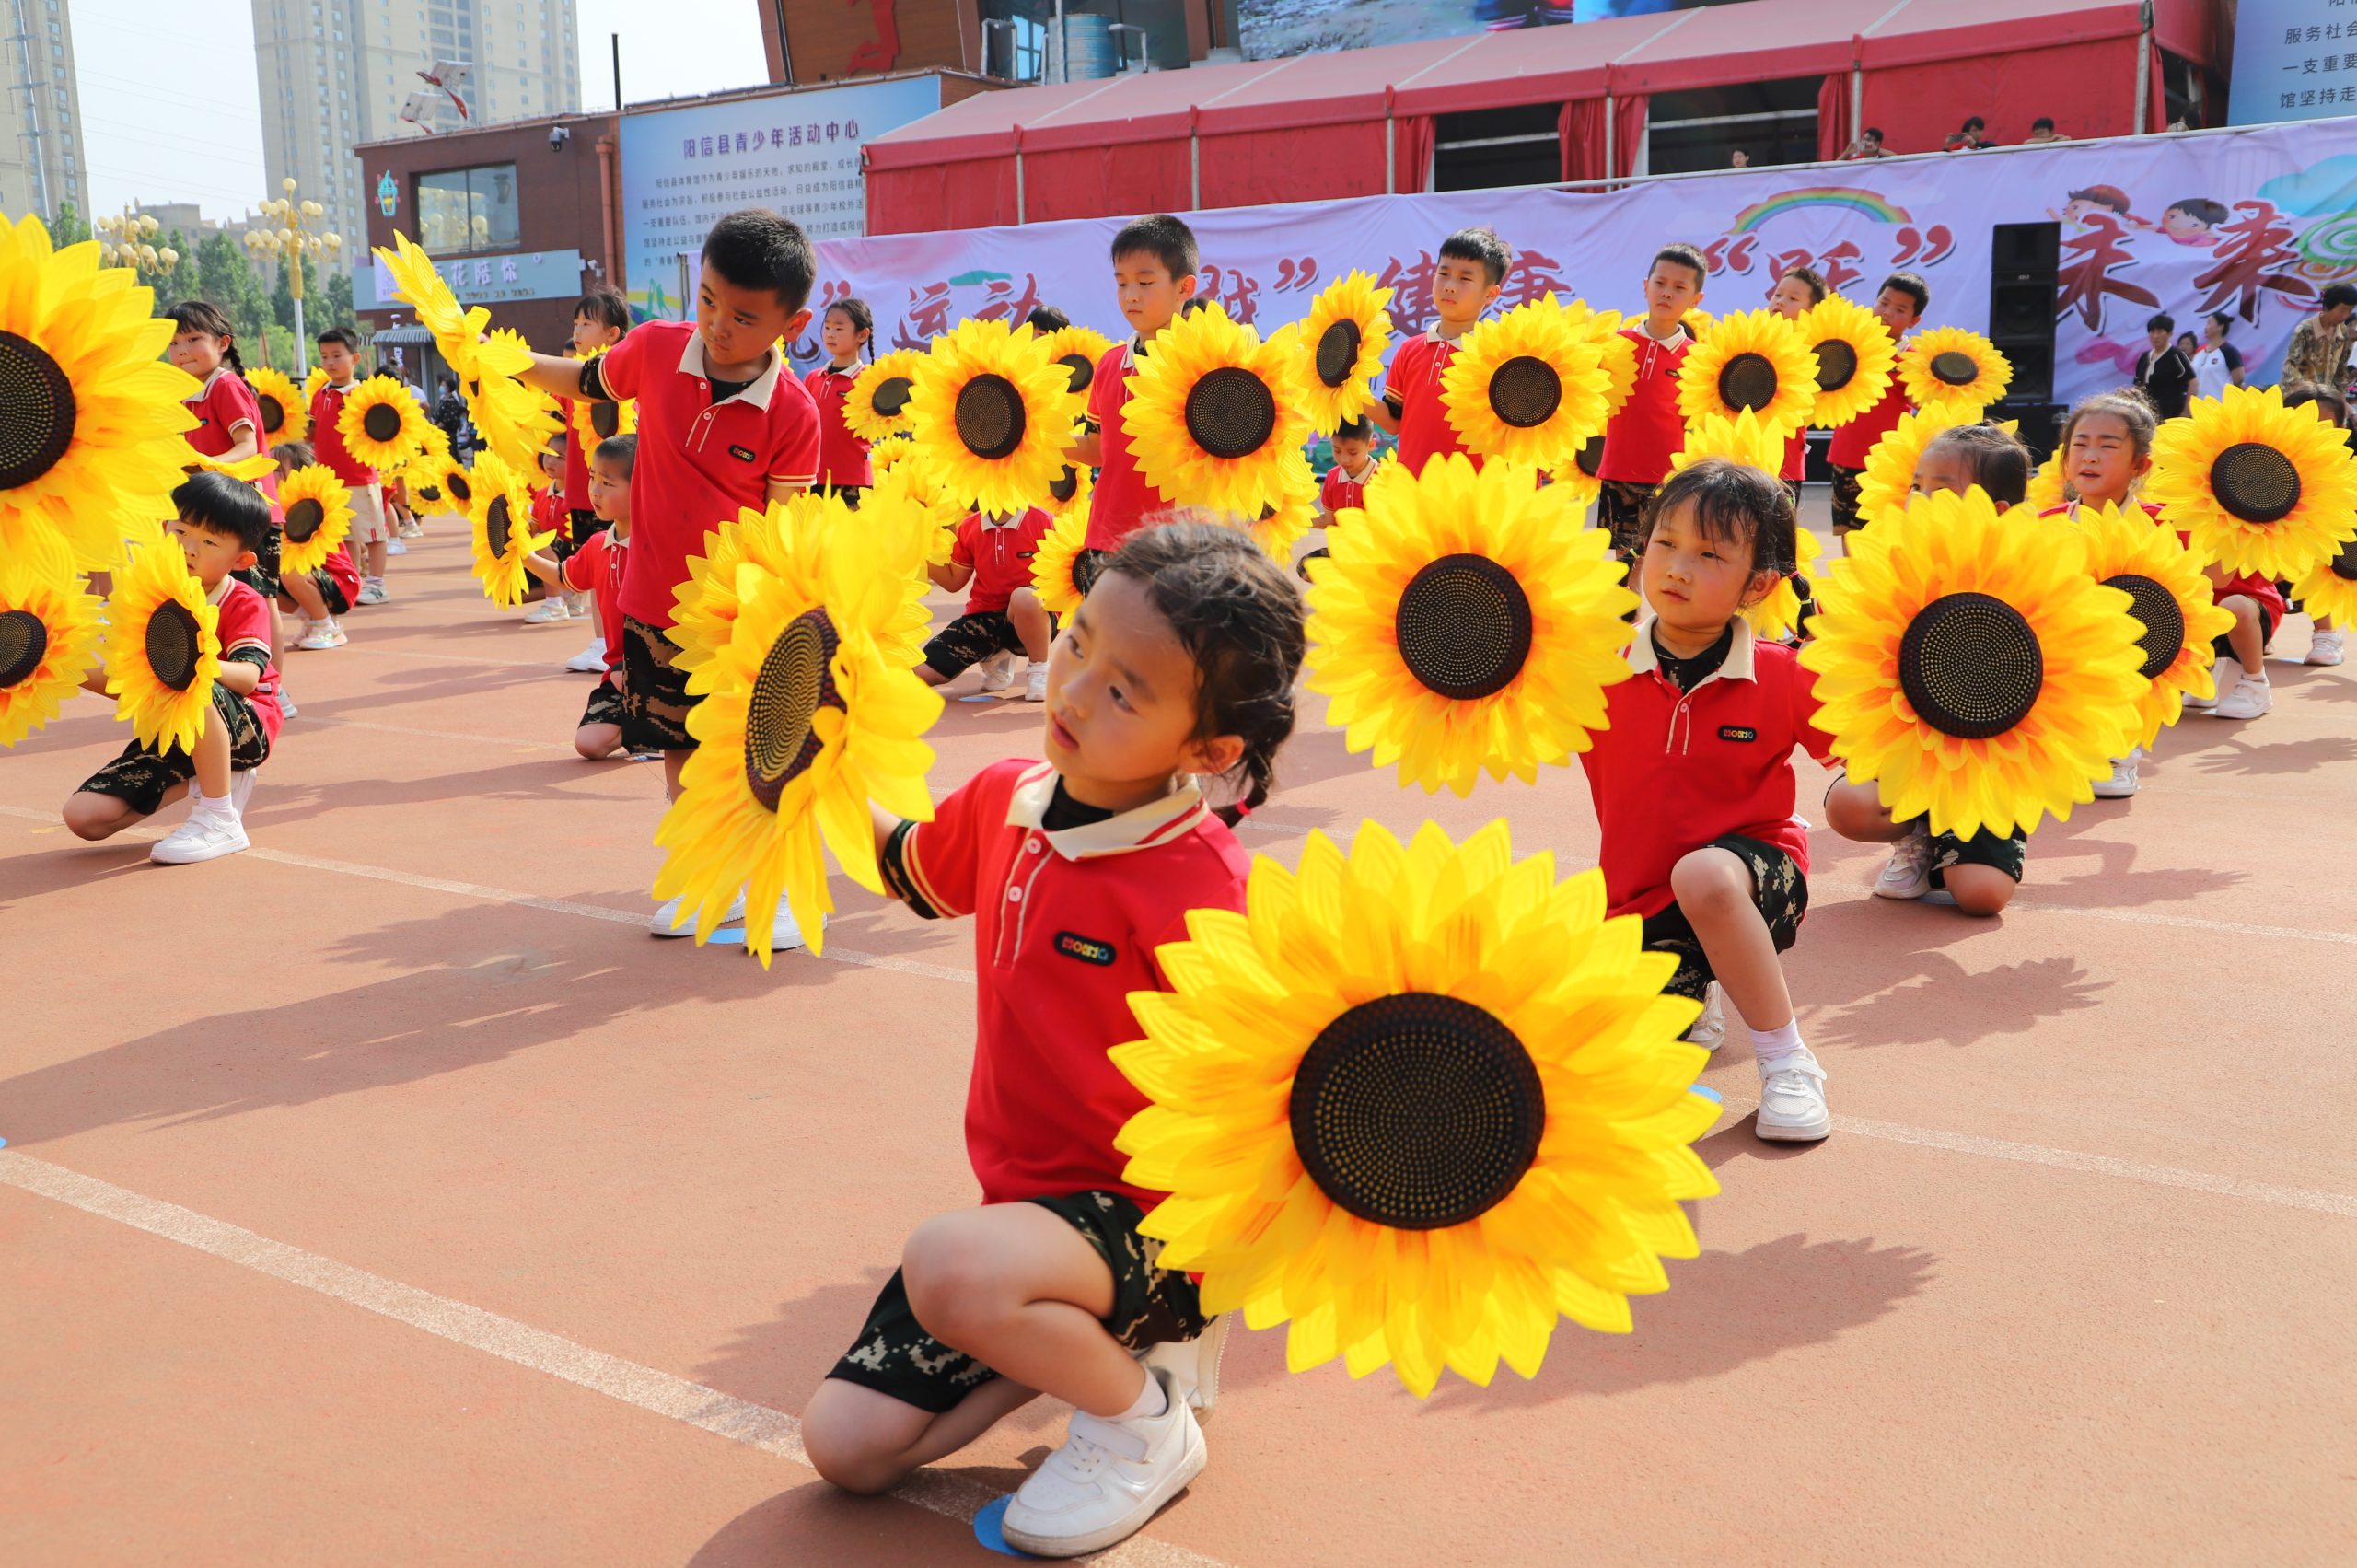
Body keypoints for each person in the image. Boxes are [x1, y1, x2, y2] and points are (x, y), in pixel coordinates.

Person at [804, 523, 1305, 1559]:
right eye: (1075, 643)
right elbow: (909, 865)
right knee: (847, 1449)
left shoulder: (1209, 891)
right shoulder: (1005, 800)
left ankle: (1142, 1421)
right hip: (1032, 1221)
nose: (1073, 691)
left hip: (1156, 1225)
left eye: (1125, 690)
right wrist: (811, 769)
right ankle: (1058, 1336)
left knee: (948, 1260)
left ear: (1209, 750)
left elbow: (1277, 1097)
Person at [511, 207, 823, 949]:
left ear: (792, 321)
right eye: (708, 300)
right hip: (652, 605)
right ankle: (703, 880)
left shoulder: (793, 411)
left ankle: (768, 889)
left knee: (758, 757)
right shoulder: (653, 348)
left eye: (744, 317)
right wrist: (505, 363)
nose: (717, 325)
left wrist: (769, 621)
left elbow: (785, 535)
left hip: (741, 623)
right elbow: (586, 380)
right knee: (679, 752)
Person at [1579, 459, 1833, 1142]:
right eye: (1664, 542)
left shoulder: (1785, 673)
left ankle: (1788, 1062)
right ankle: (1699, 984)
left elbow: (1875, 752)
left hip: (1756, 881)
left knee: (1706, 875)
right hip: (1639, 906)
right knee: (1595, 1061)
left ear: (1760, 583)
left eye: (1709, 554)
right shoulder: (1589, 668)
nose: (1677, 567)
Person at [1826, 423, 2034, 909]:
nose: (1918, 499)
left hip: (1987, 764)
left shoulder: (2028, 576)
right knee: (1849, 805)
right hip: (1915, 746)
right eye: (1916, 486)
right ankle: (1917, 834)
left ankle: (1966, 839)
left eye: (1939, 490)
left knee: (1981, 897)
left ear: (1996, 511)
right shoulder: (1896, 565)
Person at [62, 472, 282, 865]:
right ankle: (208, 771)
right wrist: (61, 667)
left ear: (242, 559)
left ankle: (219, 818)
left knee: (189, 682)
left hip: (245, 726)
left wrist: (197, 663)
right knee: (84, 819)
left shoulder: (242, 600)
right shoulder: (152, 597)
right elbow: (132, 685)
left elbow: (249, 679)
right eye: (180, 532)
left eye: (210, 542)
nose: (189, 549)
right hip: (176, 729)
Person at [2049, 389, 2278, 730]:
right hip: (2085, 647)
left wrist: (2228, 510)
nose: (2090, 457)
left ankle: (2252, 681)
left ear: (2140, 465)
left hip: (2170, 633)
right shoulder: (2041, 524)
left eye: (2108, 446)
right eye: (2080, 444)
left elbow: (2217, 578)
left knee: (2235, 606)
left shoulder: (2168, 521)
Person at [1066, 214, 1202, 590]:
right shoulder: (1109, 364)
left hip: (1182, 545)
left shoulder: (1209, 367)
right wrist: (1040, 438)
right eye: (1122, 283)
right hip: (1108, 540)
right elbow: (1099, 448)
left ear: (1183, 287)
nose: (1131, 295)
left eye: (1145, 282)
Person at [518, 435, 645, 760]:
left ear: (643, 485)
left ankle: (663, 725)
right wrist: (521, 554)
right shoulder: (598, 545)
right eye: (591, 478)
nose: (594, 491)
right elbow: (564, 576)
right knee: (589, 744)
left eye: (607, 482)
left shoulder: (657, 548)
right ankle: (644, 723)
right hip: (618, 673)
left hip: (661, 669)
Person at [1368, 226, 1510, 486]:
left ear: (1490, 294)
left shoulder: (1498, 358)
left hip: (1473, 497)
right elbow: (1392, 421)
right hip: (1412, 492)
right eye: (1443, 274)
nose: (1450, 287)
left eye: (1465, 278)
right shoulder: (1409, 350)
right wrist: (1347, 391)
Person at [1596, 243, 1707, 558]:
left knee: (1663, 560)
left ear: (1695, 300)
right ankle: (1628, 611)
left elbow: (1696, 424)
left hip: (1671, 480)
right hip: (1618, 472)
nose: (1667, 293)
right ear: (1646, 286)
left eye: (1679, 287)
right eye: (1660, 283)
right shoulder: (1614, 344)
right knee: (1622, 563)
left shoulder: (1697, 359)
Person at [557, 291, 633, 668]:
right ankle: (601, 642)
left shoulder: (626, 379)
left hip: (620, 493)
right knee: (597, 567)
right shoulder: (575, 379)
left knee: (620, 567)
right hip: (584, 489)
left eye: (587, 324)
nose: (578, 330)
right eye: (576, 323)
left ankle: (616, 643)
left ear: (613, 333)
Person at [916, 504, 1057, 702]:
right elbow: (953, 581)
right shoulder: (969, 526)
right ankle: (996, 655)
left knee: (1024, 597)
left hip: (1034, 615)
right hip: (984, 617)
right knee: (919, 674)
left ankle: (1039, 670)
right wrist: (916, 551)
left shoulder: (1043, 521)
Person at [1826, 271, 1928, 535]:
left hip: (1887, 460)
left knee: (1880, 531)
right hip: (1845, 453)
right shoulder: (1851, 343)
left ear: (1914, 320)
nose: (1886, 312)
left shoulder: (1912, 358)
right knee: (1847, 530)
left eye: (1899, 309)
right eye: (1883, 302)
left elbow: (1920, 400)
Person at [309, 328, 394, 606]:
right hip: (330, 480)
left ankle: (377, 583)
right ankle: (352, 581)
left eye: (337, 355)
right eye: (325, 357)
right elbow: (313, 431)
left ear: (355, 357)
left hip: (359, 477)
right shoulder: (320, 394)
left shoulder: (362, 395)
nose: (330, 362)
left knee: (372, 533)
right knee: (344, 537)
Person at [269, 439, 361, 652]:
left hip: (340, 582)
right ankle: (312, 617)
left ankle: (327, 626)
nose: (268, 473)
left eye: (277, 468)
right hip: (312, 578)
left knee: (291, 570)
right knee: (257, 577)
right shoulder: (275, 504)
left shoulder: (313, 505)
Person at [2279, 381, 2347, 667]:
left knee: (2324, 545)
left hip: (2326, 550)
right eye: (2305, 421)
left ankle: (2326, 633)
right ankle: (2262, 620)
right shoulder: (2263, 458)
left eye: (2324, 424)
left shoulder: (2347, 464)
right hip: (2274, 546)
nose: (2314, 430)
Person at [1765, 264, 1827, 507]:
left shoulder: (1815, 352)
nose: (1780, 301)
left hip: (1786, 465)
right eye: (1778, 294)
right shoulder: (1752, 341)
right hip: (1746, 459)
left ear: (1812, 311)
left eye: (1792, 298)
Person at [807, 296, 877, 505]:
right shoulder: (813, 378)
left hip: (854, 482)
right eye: (827, 327)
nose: (830, 334)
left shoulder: (870, 380)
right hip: (812, 480)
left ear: (862, 335)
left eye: (838, 328)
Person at [1298, 415, 1381, 578]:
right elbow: (1329, 522)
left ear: (1370, 445)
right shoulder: (1332, 477)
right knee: (1306, 568)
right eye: (1337, 451)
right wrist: (1291, 518)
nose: (1344, 459)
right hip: (1342, 553)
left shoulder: (1383, 478)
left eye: (1353, 452)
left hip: (1375, 557)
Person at [520, 432, 575, 620]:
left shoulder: (579, 496)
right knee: (514, 594)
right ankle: (565, 591)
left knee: (539, 540)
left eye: (560, 457)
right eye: (548, 453)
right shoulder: (542, 494)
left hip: (573, 556)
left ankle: (555, 604)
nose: (551, 461)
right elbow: (534, 525)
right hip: (551, 555)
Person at [2282, 283, 2357, 389]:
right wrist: (2302, 389)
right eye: (2342, 310)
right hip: (2302, 394)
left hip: (2327, 396)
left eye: (2350, 310)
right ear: (2327, 306)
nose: (2345, 315)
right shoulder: (2306, 329)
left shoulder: (2343, 332)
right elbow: (2292, 366)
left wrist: (2340, 398)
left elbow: (2340, 370)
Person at [2133, 312, 2196, 420]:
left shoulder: (2176, 355)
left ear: (2170, 334)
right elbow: (2138, 385)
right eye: (2152, 332)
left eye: (2160, 332)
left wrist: (2186, 412)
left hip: (2171, 414)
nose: (2155, 336)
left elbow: (2193, 382)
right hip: (2147, 415)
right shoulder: (2144, 357)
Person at [2191, 311, 2246, 401]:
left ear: (2221, 326)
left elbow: (2238, 380)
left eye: (2209, 323)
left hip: (2219, 406)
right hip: (2199, 408)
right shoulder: (2199, 352)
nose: (2206, 327)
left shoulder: (2229, 351)